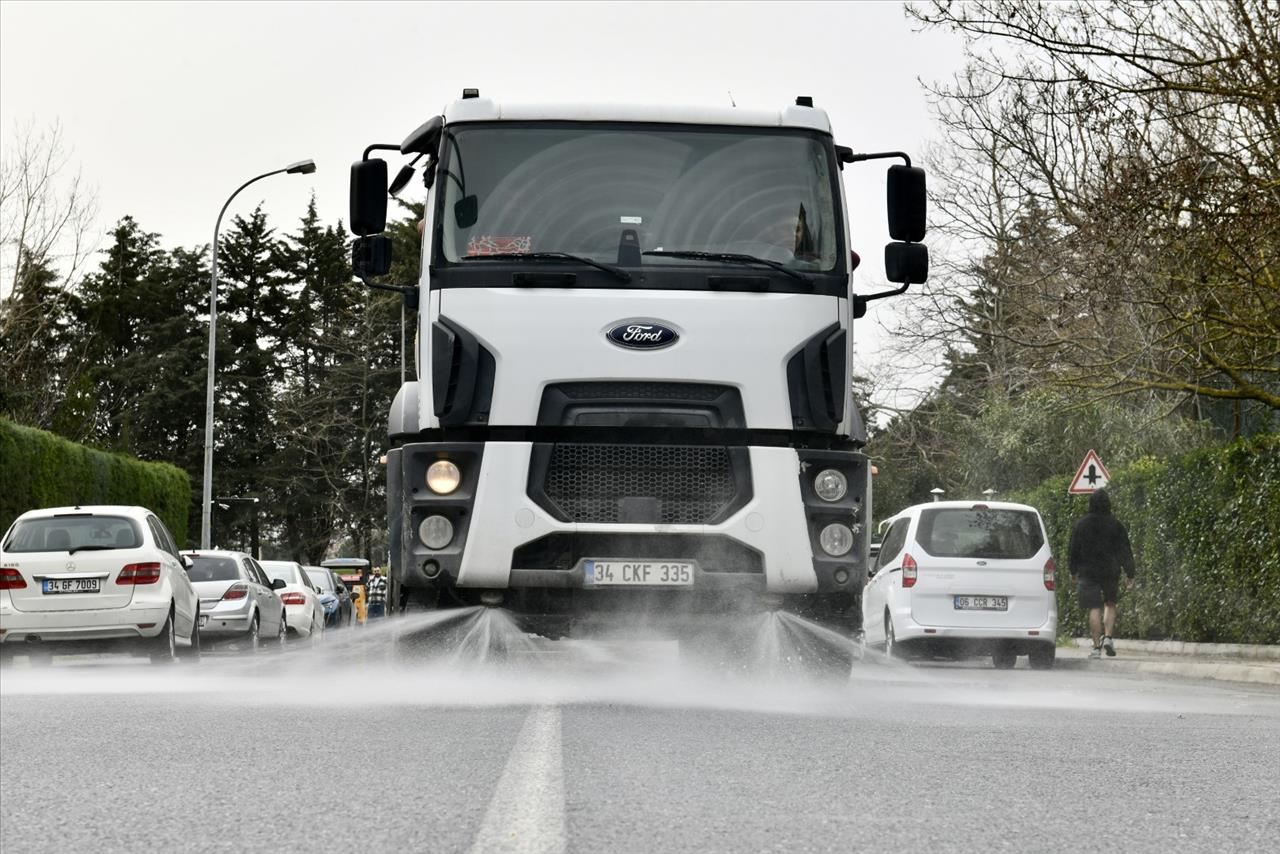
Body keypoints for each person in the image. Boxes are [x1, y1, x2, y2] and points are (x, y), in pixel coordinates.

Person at [1067, 489, 1136, 658]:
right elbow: (1124, 550)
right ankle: (1109, 637)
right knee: (1110, 603)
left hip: (1088, 571)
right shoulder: (1116, 525)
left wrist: (1073, 570)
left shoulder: (1081, 525)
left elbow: (1073, 549)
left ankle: (1096, 648)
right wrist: (1130, 573)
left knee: (1094, 608)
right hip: (1110, 570)